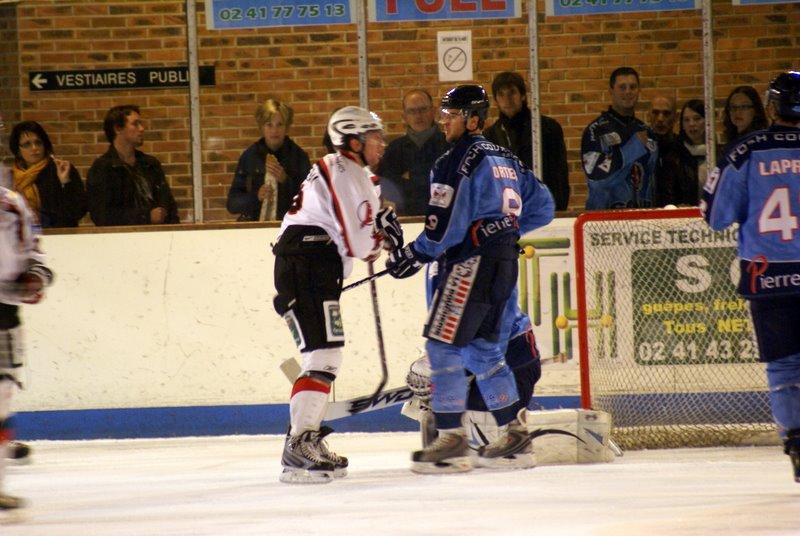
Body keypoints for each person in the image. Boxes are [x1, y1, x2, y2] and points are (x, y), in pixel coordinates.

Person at [385, 85, 555, 474]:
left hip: (469, 266)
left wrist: (412, 255)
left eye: (451, 115)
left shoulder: (454, 160)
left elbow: (443, 231)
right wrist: (502, 232)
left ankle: (451, 441)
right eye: (443, 114)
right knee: (483, 351)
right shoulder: (508, 158)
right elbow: (544, 206)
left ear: (473, 119)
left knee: (442, 347)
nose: (443, 121)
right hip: (503, 263)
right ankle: (515, 437)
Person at [273, 106, 398, 484]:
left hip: (316, 266)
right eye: (374, 137)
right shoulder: (343, 170)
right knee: (323, 355)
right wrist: (382, 238)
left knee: (326, 355)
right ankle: (298, 445)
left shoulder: (356, 174)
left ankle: (306, 438)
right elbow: (361, 244)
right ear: (353, 142)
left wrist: (380, 233)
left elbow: (362, 236)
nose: (381, 143)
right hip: (305, 264)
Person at [701, 71, 800, 483]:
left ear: (772, 107)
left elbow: (714, 215)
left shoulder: (746, 150)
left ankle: (796, 440)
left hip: (767, 274)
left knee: (784, 365)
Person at [405, 260, 542, 450]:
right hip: (485, 358)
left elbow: (490, 337)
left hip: (511, 363)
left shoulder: (478, 260)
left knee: (487, 447)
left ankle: (515, 437)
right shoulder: (439, 261)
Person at [0, 178, 54, 512]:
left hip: (3, 315)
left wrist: (35, 277)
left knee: (1, 398)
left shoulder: (11, 204)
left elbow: (35, 256)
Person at [484, 71, 570, 211]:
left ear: (523, 95)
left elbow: (559, 173)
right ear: (496, 100)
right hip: (507, 212)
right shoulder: (490, 136)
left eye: (512, 93)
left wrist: (557, 210)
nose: (507, 99)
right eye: (501, 94)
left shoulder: (547, 128)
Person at [87, 105, 179, 226]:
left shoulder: (150, 164)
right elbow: (101, 214)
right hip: (121, 236)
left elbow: (169, 205)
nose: (141, 129)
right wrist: (146, 217)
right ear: (118, 128)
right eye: (135, 124)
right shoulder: (103, 168)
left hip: (157, 234)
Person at [581, 67, 658, 209]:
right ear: (611, 91)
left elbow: (653, 181)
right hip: (605, 218)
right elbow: (597, 180)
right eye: (622, 87)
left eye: (632, 87)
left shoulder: (647, 132)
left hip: (644, 217)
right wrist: (634, 147)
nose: (628, 92)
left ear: (639, 90)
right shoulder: (596, 131)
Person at [227, 99, 310, 222]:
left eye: (279, 124)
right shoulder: (250, 156)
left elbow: (310, 201)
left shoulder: (299, 157)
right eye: (269, 125)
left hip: (289, 225)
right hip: (254, 225)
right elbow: (232, 204)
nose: (274, 131)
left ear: (287, 127)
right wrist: (256, 197)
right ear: (262, 127)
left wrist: (285, 181)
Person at [375, 89, 449, 215]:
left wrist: (410, 181)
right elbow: (387, 186)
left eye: (423, 109)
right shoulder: (395, 149)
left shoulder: (449, 145)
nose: (418, 115)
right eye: (412, 111)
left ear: (433, 111)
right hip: (408, 219)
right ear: (404, 116)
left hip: (445, 217)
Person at [8, 121, 87, 228]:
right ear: (18, 150)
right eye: (27, 144)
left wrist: (65, 183)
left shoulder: (60, 169)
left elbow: (78, 210)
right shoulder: (11, 177)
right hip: (23, 235)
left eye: (38, 142)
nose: (34, 148)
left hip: (58, 234)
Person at [649, 96, 703, 206]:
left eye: (666, 114)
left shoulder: (684, 151)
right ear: (649, 115)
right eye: (655, 113)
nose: (660, 119)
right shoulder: (640, 148)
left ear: (675, 117)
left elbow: (691, 188)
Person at [721, 85, 768, 153]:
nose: (737, 112)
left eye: (744, 107)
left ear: (755, 110)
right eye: (733, 107)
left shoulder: (761, 141)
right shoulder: (731, 142)